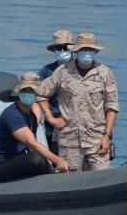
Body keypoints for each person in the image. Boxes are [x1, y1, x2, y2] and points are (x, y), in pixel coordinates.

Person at [37, 32, 118, 171]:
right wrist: (50, 118)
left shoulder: (105, 73)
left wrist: (107, 136)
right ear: (77, 51)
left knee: (102, 179)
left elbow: (111, 107)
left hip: (96, 139)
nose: (87, 53)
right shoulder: (62, 71)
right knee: (68, 181)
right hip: (69, 140)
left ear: (95, 51)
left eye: (90, 50)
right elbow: (40, 93)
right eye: (83, 50)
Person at [0, 72, 70, 183]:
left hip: (15, 160)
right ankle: (53, 178)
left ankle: (52, 176)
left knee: (38, 157)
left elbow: (32, 147)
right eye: (24, 91)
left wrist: (50, 164)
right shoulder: (12, 114)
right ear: (19, 93)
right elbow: (32, 143)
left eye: (31, 91)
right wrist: (57, 160)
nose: (27, 94)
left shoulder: (31, 116)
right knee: (36, 158)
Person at [38, 29, 74, 155]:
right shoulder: (46, 71)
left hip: (77, 125)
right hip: (53, 126)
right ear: (54, 50)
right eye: (59, 48)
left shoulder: (82, 69)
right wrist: (51, 118)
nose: (63, 51)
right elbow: (38, 95)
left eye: (66, 47)